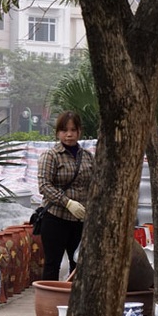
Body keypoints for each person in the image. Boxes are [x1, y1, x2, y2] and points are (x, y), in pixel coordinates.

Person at [37, 110, 94, 281]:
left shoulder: (87, 156)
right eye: (64, 130)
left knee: (79, 265)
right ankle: (49, 305)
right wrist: (67, 202)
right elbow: (44, 185)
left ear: (79, 131)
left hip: (80, 220)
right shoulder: (51, 155)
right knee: (52, 264)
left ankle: (74, 304)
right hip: (55, 218)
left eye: (73, 130)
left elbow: (94, 184)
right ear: (58, 132)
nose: (69, 134)